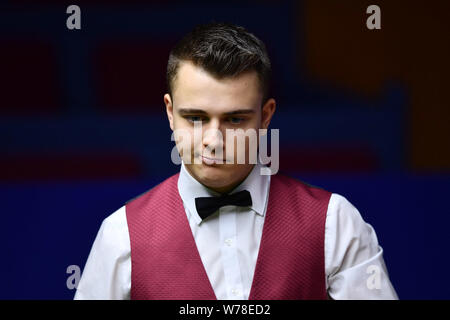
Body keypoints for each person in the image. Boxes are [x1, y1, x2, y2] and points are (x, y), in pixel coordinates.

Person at [74, 21, 398, 300]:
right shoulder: (120, 235)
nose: (214, 140)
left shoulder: (335, 223)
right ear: (170, 113)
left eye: (234, 119)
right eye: (196, 118)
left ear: (265, 116)